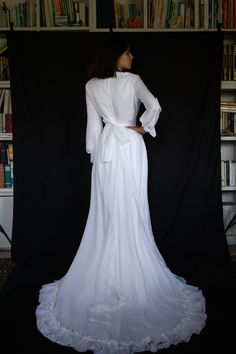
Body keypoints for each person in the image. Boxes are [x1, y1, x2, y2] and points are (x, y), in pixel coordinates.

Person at [35, 37, 207, 354]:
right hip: (130, 147)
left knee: (107, 212)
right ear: (116, 55)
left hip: (105, 154)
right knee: (133, 208)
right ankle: (129, 268)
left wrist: (95, 155)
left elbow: (92, 128)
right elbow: (155, 105)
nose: (132, 55)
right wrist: (142, 127)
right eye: (128, 51)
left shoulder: (91, 86)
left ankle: (109, 271)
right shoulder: (134, 82)